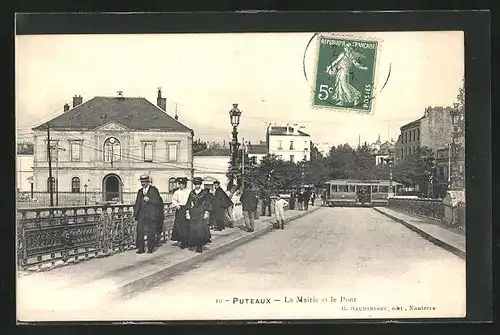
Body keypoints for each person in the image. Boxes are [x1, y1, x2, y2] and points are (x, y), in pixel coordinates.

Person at [133, 174, 163, 254]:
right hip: (141, 215)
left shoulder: (154, 190)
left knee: (151, 232)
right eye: (142, 182)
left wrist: (150, 200)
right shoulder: (140, 191)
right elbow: (137, 203)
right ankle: (141, 248)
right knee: (140, 232)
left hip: (151, 214)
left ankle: (150, 248)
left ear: (148, 182)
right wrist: (135, 214)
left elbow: (158, 202)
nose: (143, 184)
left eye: (144, 182)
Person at [185, 177, 212, 253]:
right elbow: (188, 202)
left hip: (201, 212)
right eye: (196, 184)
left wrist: (206, 212)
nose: (197, 186)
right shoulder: (192, 193)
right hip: (193, 212)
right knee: (193, 229)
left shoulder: (204, 193)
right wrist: (187, 212)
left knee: (200, 230)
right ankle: (194, 243)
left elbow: (208, 203)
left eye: (198, 184)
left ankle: (199, 246)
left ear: (200, 184)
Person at [171, 177, 191, 249]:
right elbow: (173, 200)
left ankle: (187, 241)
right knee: (180, 226)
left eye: (181, 184)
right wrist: (177, 205)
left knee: (187, 225)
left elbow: (191, 200)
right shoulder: (177, 192)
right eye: (179, 184)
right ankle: (182, 241)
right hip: (180, 210)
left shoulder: (189, 191)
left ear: (185, 184)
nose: (180, 185)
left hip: (187, 209)